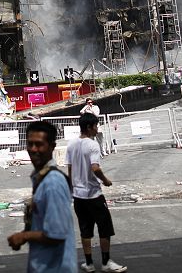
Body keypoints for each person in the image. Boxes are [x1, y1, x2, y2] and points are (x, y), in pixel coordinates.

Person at [7, 121, 76, 272]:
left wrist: (24, 236)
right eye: (30, 144)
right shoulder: (41, 177)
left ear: (52, 146)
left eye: (39, 144)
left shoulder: (53, 183)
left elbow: (56, 233)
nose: (33, 149)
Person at [66, 113, 126, 272]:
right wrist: (105, 180)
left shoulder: (71, 144)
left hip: (78, 196)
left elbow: (70, 169)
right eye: (95, 126)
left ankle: (89, 263)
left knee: (85, 230)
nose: (97, 129)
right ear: (89, 127)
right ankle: (106, 262)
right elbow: (95, 167)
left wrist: (71, 189)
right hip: (93, 194)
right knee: (105, 228)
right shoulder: (93, 145)